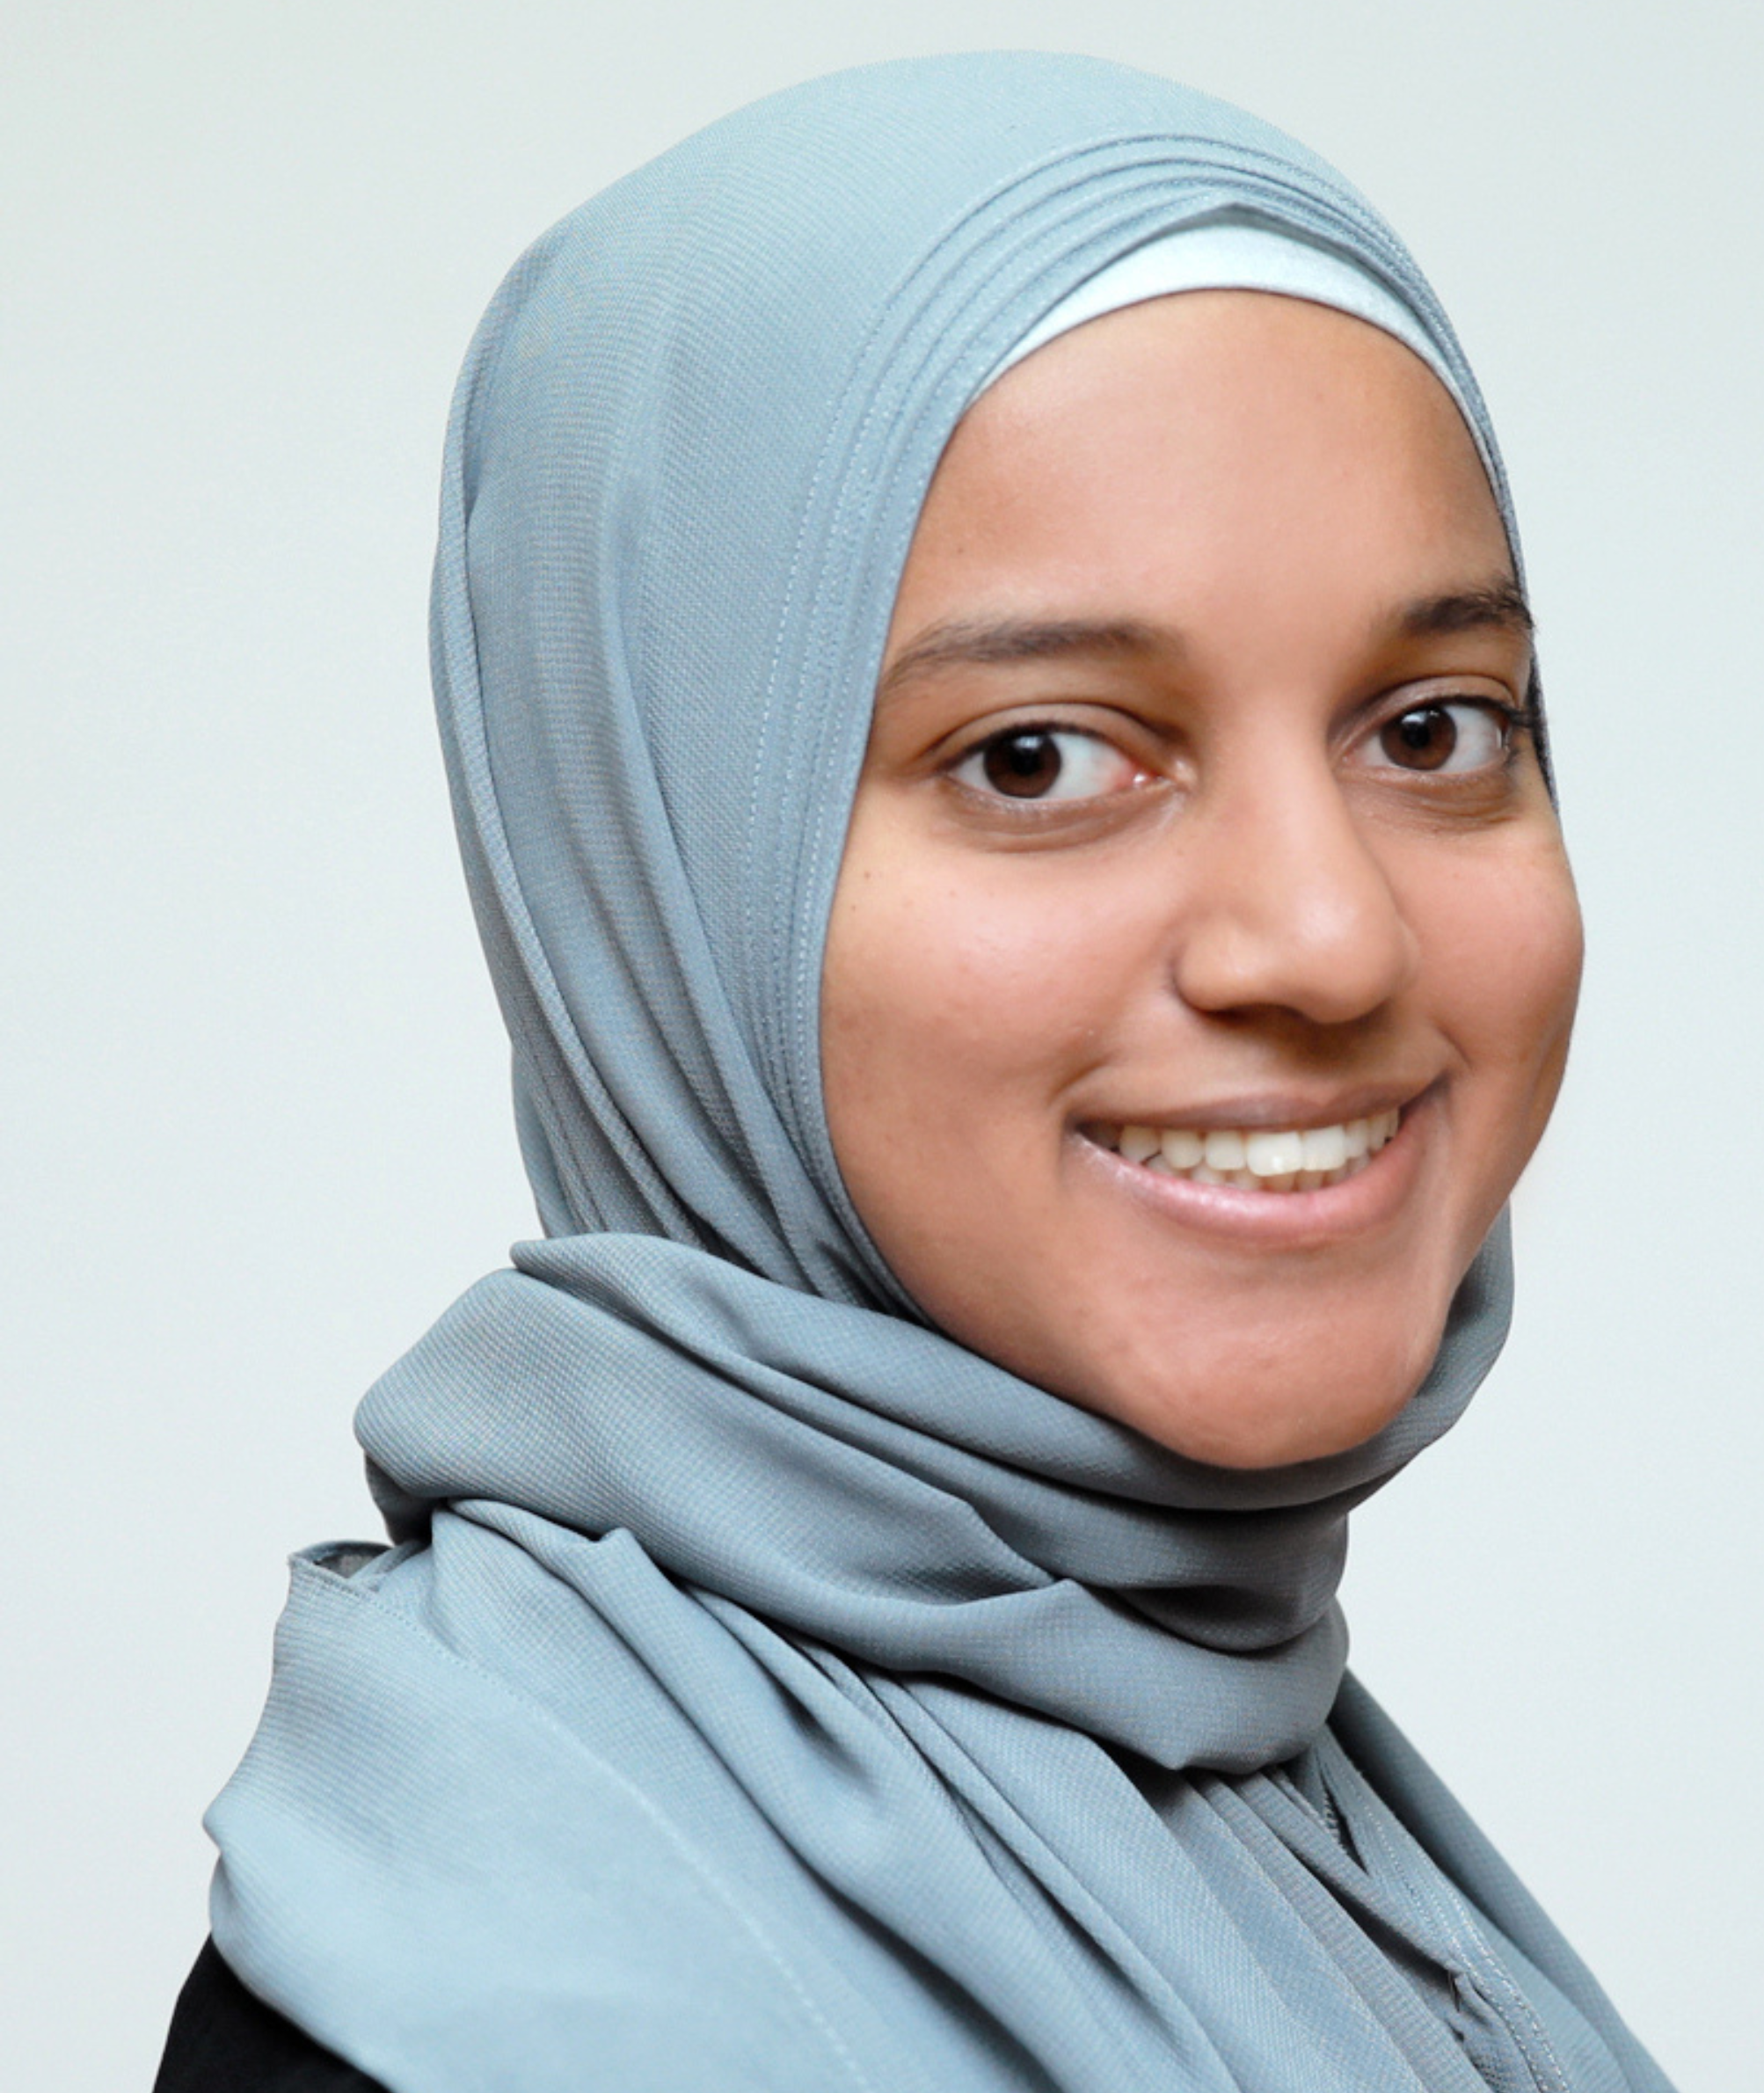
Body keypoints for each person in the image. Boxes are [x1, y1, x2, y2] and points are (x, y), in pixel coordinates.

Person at [155, 51, 1673, 2093]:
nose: (1325, 938)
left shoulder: (1288, 1831)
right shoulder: (518, 1998)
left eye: (1429, 728)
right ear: (662, 863)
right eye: (1038, 754)